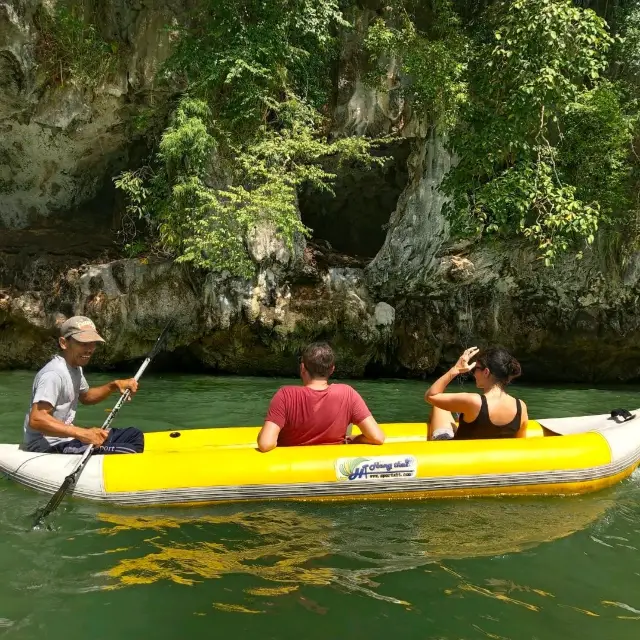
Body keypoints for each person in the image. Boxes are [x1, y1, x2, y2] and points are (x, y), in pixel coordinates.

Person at [23, 316, 145, 454]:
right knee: (127, 451)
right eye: (83, 343)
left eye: (92, 343)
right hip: (47, 445)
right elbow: (37, 419)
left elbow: (86, 396)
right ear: (64, 343)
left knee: (133, 435)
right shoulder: (53, 374)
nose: (89, 349)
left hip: (68, 437)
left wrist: (114, 385)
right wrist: (81, 433)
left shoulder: (75, 367)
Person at [257, 342, 385, 452]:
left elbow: (265, 443)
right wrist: (355, 439)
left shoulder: (285, 395)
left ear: (302, 368)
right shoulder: (348, 393)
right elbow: (377, 437)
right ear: (332, 369)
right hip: (330, 472)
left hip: (293, 474)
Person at [424, 346, 528, 440]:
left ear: (486, 372)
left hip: (458, 456)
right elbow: (519, 444)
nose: (473, 373)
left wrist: (456, 369)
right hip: (492, 459)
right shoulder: (521, 407)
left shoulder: (474, 401)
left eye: (475, 369)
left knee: (438, 407)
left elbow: (430, 396)